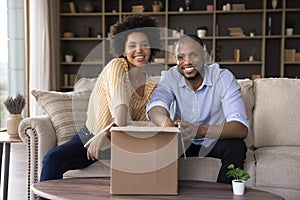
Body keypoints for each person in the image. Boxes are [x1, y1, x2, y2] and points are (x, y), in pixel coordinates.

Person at [39, 15, 161, 199]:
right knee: (53, 158)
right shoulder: (117, 66)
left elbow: (141, 127)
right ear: (122, 49)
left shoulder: (152, 87)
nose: (139, 50)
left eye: (144, 44)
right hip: (91, 136)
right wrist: (104, 133)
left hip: (121, 144)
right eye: (132, 45)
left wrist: (108, 135)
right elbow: (121, 112)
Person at [146, 34, 249, 184]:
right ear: (176, 60)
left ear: (204, 56)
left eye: (193, 55)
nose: (187, 62)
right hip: (183, 140)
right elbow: (156, 105)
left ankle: (222, 195)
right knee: (158, 144)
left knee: (236, 147)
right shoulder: (171, 77)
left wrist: (199, 130)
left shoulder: (223, 77)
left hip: (214, 139)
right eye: (181, 57)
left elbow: (240, 128)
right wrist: (165, 123)